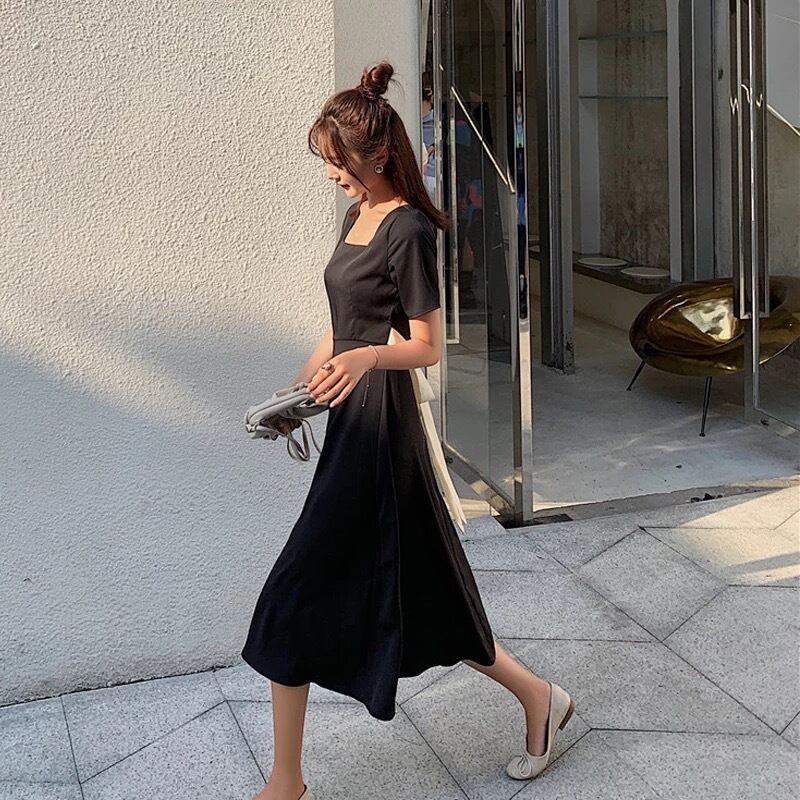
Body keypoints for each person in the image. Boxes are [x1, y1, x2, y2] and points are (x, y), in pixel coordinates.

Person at [240, 61, 576, 800]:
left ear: (375, 155)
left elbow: (424, 345)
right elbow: (343, 327)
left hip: (381, 434)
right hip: (350, 426)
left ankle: (286, 783)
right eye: (326, 162)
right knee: (429, 594)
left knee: (293, 592)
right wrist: (296, 393)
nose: (331, 174)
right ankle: (539, 698)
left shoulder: (408, 230)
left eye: (338, 161)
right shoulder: (356, 217)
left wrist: (365, 359)